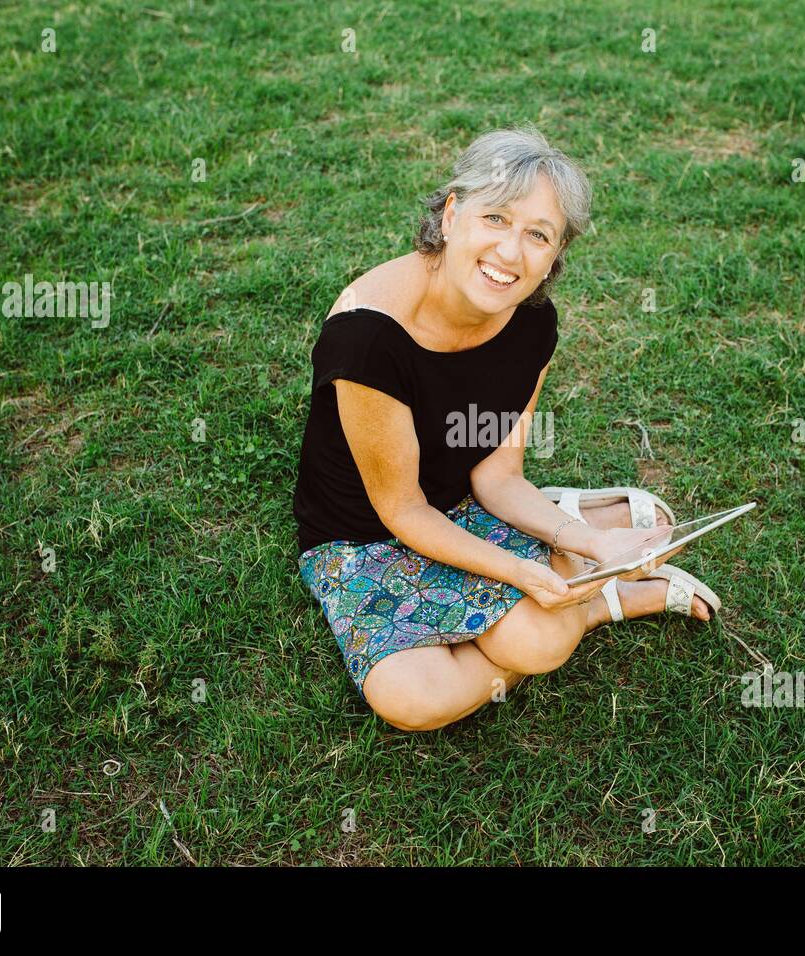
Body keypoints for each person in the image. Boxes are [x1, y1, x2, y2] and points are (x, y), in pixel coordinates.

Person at [293, 124, 720, 732]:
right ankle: (598, 602)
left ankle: (584, 550)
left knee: (542, 642)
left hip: (463, 507)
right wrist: (523, 572)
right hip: (361, 538)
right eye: (495, 218)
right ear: (450, 216)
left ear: (555, 255)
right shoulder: (366, 337)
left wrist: (590, 547)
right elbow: (404, 511)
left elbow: (496, 473)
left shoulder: (531, 324)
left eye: (537, 235)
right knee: (413, 700)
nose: (510, 254)